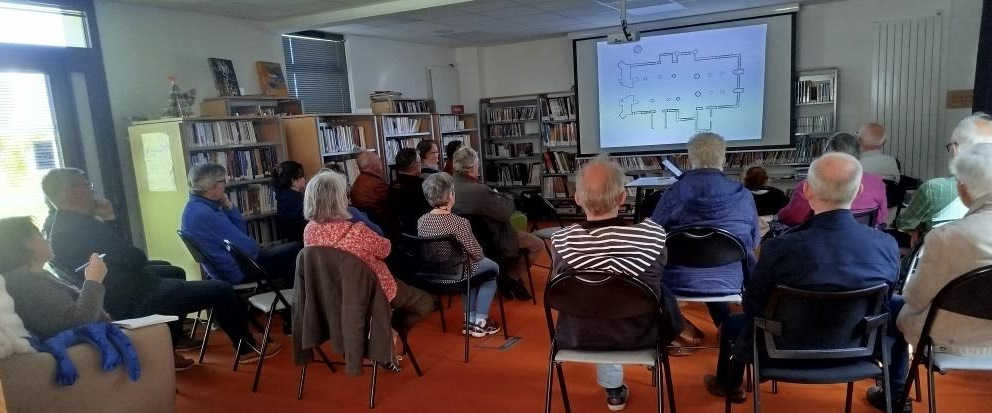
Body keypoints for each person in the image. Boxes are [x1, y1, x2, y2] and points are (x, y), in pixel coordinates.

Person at [702, 153, 900, 405]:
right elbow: (885, 302)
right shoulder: (886, 245)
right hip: (859, 351)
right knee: (898, 309)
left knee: (733, 323)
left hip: (778, 350)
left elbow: (753, 306)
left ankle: (729, 386)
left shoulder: (779, 248)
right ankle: (896, 395)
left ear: (806, 191)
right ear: (859, 190)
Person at [41, 168, 277, 368]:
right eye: (87, 185)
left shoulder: (61, 227)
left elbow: (119, 256)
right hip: (135, 296)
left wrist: (108, 223)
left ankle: (170, 344)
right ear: (74, 191)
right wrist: (110, 220)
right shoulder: (84, 228)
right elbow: (135, 257)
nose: (92, 190)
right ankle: (246, 348)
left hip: (118, 289)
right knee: (221, 289)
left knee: (175, 272)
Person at [549, 157, 682, 412]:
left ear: (577, 198)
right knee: (650, 291)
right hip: (642, 336)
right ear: (622, 198)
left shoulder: (561, 242)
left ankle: (613, 389)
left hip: (579, 336)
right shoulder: (653, 237)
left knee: (595, 296)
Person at [880, 143, 992, 412]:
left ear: (964, 187)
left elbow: (915, 298)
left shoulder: (946, 237)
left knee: (893, 304)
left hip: (949, 337)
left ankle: (895, 395)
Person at [650, 133, 759, 331]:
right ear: (723, 159)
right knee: (712, 257)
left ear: (690, 159)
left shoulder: (673, 193)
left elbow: (654, 236)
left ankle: (673, 329)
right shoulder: (744, 195)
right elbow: (754, 241)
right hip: (732, 280)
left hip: (677, 281)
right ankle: (726, 326)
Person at [303, 171, 433, 333]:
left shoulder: (309, 230)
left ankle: (378, 326)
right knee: (426, 303)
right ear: (340, 199)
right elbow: (386, 249)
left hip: (335, 293)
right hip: (373, 291)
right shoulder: (356, 231)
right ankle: (385, 329)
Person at [181, 163, 302, 285]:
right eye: (222, 181)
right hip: (241, 270)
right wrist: (258, 247)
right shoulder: (205, 213)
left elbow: (241, 232)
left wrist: (229, 206)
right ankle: (294, 294)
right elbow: (245, 245)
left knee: (293, 250)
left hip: (232, 268)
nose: (225, 186)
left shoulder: (195, 207)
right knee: (299, 251)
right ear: (210, 186)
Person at [449, 147, 544, 301]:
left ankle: (502, 277)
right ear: (471, 168)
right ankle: (511, 277)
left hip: (458, 243)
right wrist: (506, 197)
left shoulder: (447, 187)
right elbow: (505, 212)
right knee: (537, 244)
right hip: (490, 240)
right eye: (477, 164)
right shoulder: (479, 191)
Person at [417, 172, 501, 337]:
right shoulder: (459, 223)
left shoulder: (422, 221)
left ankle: (469, 320)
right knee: (492, 269)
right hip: (457, 272)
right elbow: (476, 253)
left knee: (474, 271)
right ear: (450, 195)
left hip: (434, 273)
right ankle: (480, 322)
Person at [0, 217, 108, 339]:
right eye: (41, 235)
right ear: (28, 243)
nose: (47, 240)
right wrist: (94, 280)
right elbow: (78, 323)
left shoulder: (32, 276)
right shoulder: (26, 284)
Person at [895, 114, 992, 243]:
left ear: (955, 148)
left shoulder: (933, 189)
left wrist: (918, 229)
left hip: (940, 249)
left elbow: (905, 224)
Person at [778, 133, 888, 227]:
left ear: (827, 154)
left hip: (818, 243)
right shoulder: (877, 183)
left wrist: (778, 214)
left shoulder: (809, 187)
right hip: (863, 243)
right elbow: (880, 219)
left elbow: (791, 218)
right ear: (859, 155)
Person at [275, 162, 383, 238]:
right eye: (302, 176)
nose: (305, 179)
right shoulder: (347, 213)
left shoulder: (282, 198)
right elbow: (378, 234)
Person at [350, 150, 399, 236]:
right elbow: (395, 205)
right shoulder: (378, 185)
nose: (381, 163)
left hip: (368, 228)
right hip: (383, 229)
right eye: (379, 160)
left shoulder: (357, 182)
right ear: (373, 165)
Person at [389, 148, 432, 235]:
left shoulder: (392, 185)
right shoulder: (422, 185)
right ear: (415, 166)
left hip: (400, 234)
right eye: (420, 162)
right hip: (422, 233)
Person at [743, 166, 789, 237]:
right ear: (765, 180)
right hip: (770, 232)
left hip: (747, 232)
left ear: (746, 179)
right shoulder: (777, 193)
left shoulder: (740, 194)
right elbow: (788, 208)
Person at [273, 161, 308, 243]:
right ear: (293, 181)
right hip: (301, 241)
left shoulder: (281, 195)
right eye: (302, 176)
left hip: (290, 240)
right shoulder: (296, 199)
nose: (304, 179)